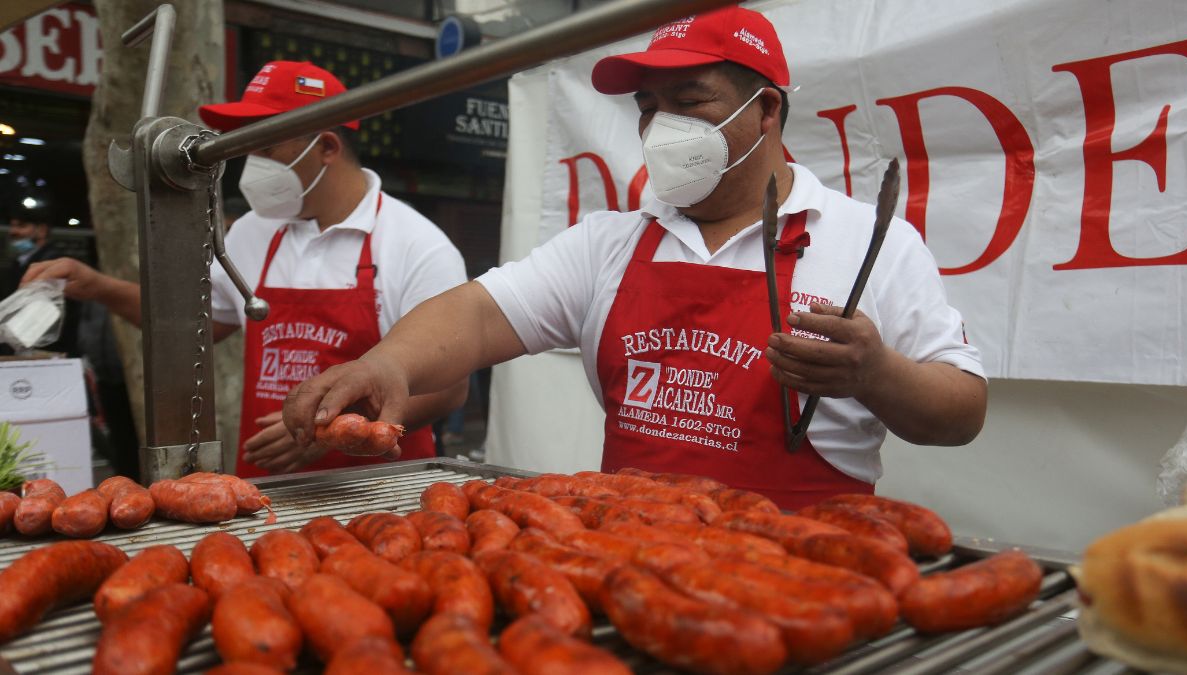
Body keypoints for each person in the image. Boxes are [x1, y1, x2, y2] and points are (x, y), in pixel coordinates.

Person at [282, 8, 987, 508]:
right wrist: (387, 364)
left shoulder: (870, 241)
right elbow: (477, 314)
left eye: (690, 100)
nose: (660, 127)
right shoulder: (611, 242)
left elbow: (961, 411)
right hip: (628, 555)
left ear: (767, 111)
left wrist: (878, 374)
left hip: (801, 576)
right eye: (650, 106)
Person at [24, 61, 469, 477]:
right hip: (270, 486)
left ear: (327, 147)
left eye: (265, 144)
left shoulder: (416, 244)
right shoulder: (252, 233)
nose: (248, 160)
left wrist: (329, 430)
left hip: (379, 487)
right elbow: (192, 325)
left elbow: (448, 389)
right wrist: (96, 286)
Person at [3, 203, 79, 356]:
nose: (13, 232)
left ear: (42, 230)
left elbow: (45, 315)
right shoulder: (18, 263)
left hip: (48, 354)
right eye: (12, 226)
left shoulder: (55, 264)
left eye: (21, 226)